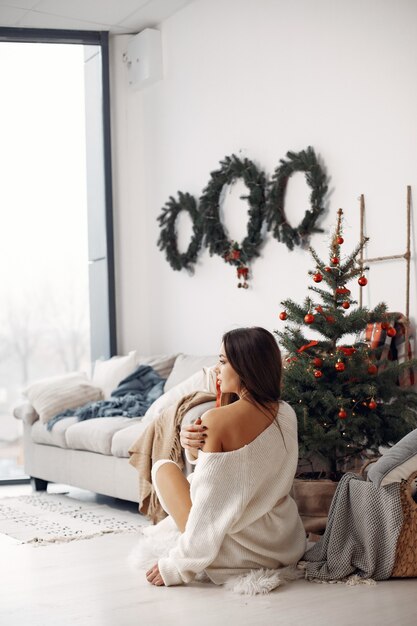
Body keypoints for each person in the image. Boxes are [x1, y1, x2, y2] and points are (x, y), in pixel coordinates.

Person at [145, 326, 306, 587]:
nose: (216, 369)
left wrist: (177, 567)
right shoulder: (286, 413)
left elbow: (209, 506)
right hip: (283, 543)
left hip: (239, 554)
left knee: (163, 468)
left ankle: (204, 554)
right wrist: (193, 447)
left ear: (245, 367)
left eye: (222, 361)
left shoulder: (216, 420)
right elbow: (246, 471)